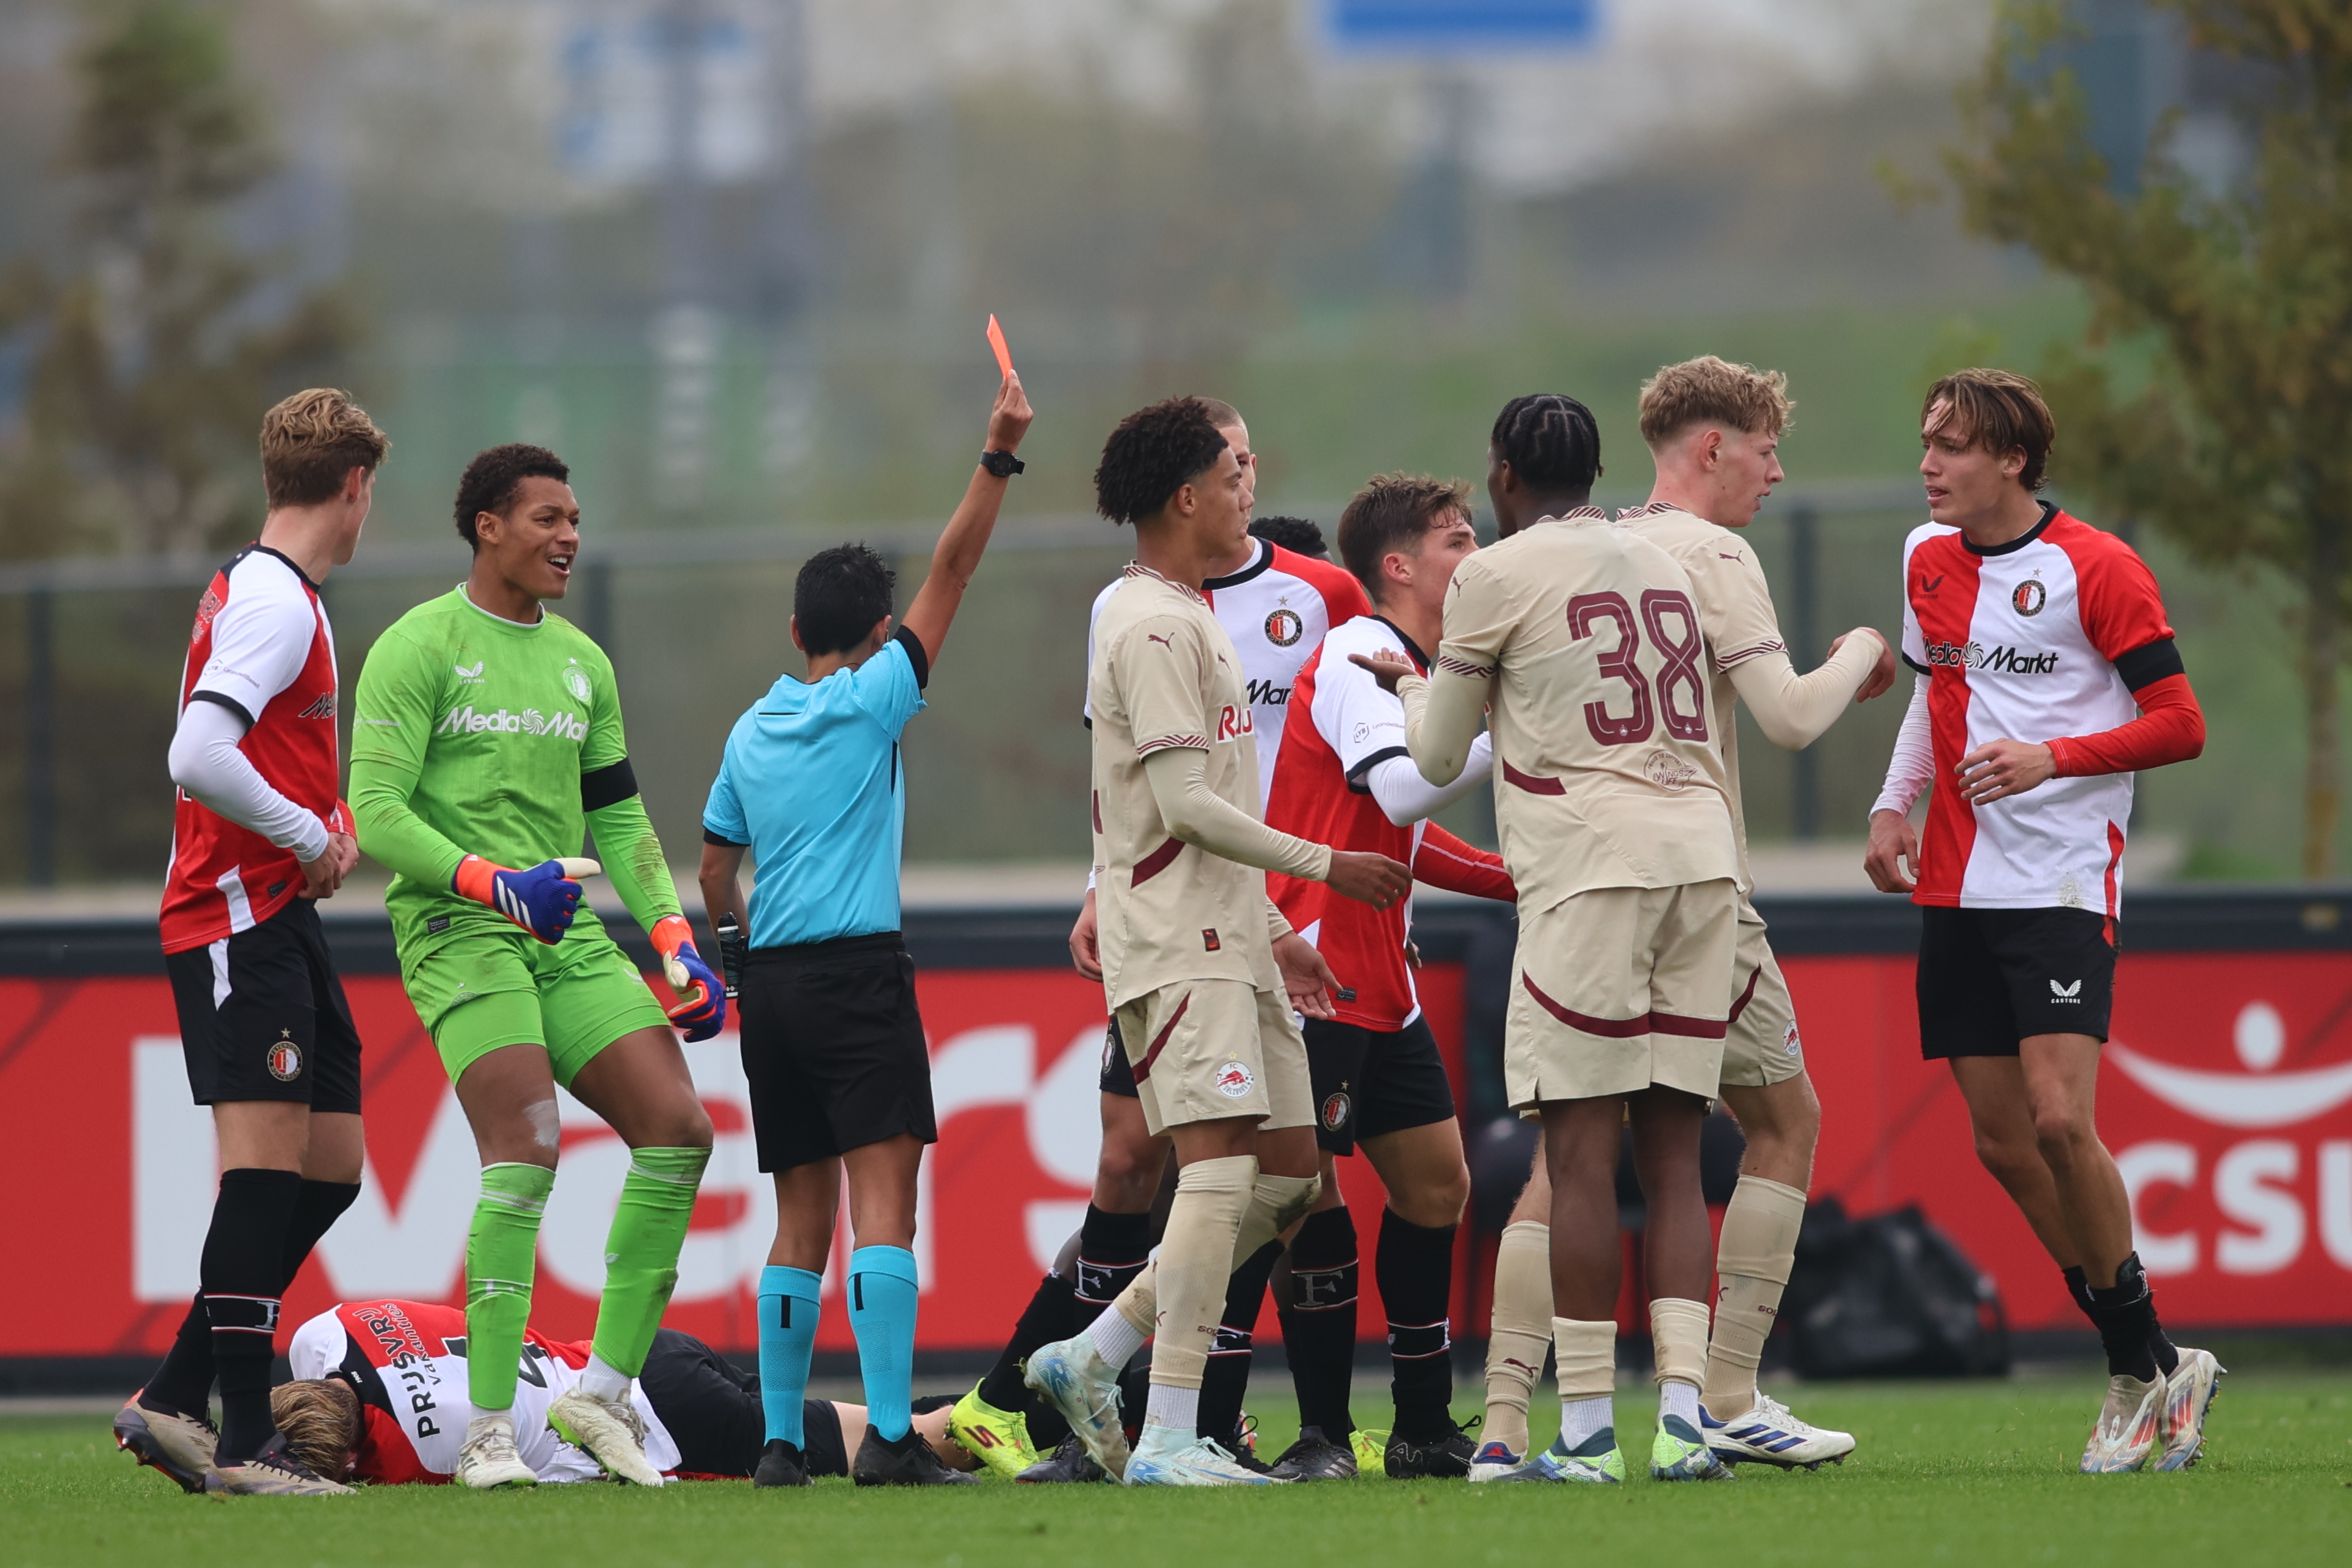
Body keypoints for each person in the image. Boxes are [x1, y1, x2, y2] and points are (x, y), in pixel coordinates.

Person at [1470, 358, 1894, 1477]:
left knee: (1567, 1156)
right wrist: (1863, 648)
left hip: (1578, 876)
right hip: (1699, 883)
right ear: (1710, 449)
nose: (1776, 471)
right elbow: (1793, 716)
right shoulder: (1706, 555)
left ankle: (1512, 1423)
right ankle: (1722, 1397)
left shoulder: (1577, 545)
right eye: (1763, 450)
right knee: (1774, 1124)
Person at [951, 406, 1372, 1483]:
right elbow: (1183, 805)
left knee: (1288, 1175)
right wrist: (1326, 872)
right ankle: (1174, 1436)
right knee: (1221, 1169)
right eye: (1236, 473)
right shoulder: (1145, 623)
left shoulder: (1182, 613)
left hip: (1235, 935)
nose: (1251, 488)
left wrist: (1279, 932)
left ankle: (1094, 1354)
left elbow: (1198, 796)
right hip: (1177, 943)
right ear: (1188, 496)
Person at [1357, 393, 1742, 1486]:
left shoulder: (1496, 572)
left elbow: (1433, 761)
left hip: (1592, 868)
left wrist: (1417, 686)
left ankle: (1580, 1435)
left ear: (1506, 476)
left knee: (1578, 1157)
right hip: (1701, 857)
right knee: (1674, 1158)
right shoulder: (1662, 559)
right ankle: (1682, 1418)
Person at [349, 445, 726, 1490]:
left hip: (562, 936)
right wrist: (489, 883)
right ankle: (486, 1436)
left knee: (681, 1131)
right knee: (526, 1146)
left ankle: (599, 1397)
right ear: (488, 528)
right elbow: (374, 811)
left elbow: (618, 817)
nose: (569, 537)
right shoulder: (418, 645)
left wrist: (671, 936)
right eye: (548, 519)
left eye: (575, 520)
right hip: (460, 930)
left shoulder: (583, 662)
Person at [1864, 368, 2217, 1474]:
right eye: (1926, 441)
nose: (1931, 463)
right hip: (1956, 889)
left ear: (2014, 461)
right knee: (2005, 1146)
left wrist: (2052, 757)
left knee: (2064, 1123)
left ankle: (2131, 1372)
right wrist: (1892, 802)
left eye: (1954, 447)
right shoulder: (1927, 559)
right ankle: (2159, 1358)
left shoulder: (2097, 567)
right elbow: (1934, 695)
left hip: (2060, 884)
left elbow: (2181, 723)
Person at [697, 371, 1033, 1489]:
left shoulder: (752, 726)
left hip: (775, 989)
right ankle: (889, 1436)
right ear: (881, 636)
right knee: (885, 1206)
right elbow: (957, 567)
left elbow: (713, 866)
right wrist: (996, 455)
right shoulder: (878, 696)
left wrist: (734, 952)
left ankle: (783, 1444)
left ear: (795, 630)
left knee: (800, 1216)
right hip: (856, 976)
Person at [115, 389, 389, 1499]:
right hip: (238, 917)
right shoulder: (278, 601)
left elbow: (246, 752)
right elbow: (198, 752)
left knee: (330, 1169)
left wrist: (316, 827)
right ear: (355, 488)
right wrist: (306, 829)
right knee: (262, 1173)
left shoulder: (265, 587)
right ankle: (242, 1444)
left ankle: (176, 1396)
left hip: (280, 914)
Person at [1255, 474, 1517, 1480]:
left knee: (1438, 1185)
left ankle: (1418, 1424)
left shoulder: (1424, 668)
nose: (1477, 557)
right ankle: (1316, 1433)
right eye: (1460, 542)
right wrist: (1499, 726)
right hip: (1315, 964)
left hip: (1385, 982)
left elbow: (1404, 828)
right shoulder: (1356, 654)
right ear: (1399, 567)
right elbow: (1403, 782)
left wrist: (1517, 878)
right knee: (1299, 1201)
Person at [269, 1300, 979, 1485]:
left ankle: (1024, 1412)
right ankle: (1014, 1408)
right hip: (640, 1359)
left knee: (884, 1447)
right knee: (882, 1421)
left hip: (668, 1425)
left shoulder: (417, 1447)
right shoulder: (329, 1331)